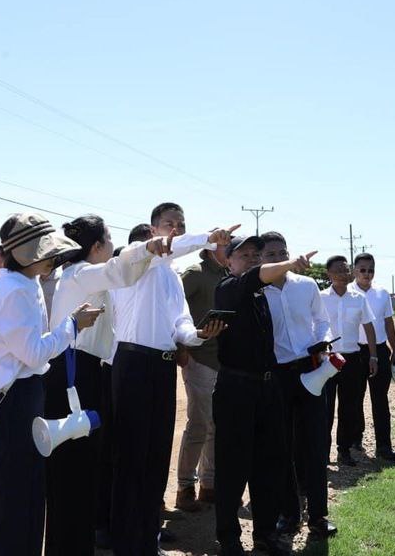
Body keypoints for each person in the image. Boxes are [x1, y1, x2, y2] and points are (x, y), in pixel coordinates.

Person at [0, 212, 102, 556]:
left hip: (14, 396)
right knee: (13, 496)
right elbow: (33, 353)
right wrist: (72, 325)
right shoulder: (17, 291)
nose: (53, 258)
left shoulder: (20, 284)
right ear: (26, 255)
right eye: (47, 252)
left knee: (20, 493)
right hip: (11, 401)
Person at [110, 203, 234, 556]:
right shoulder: (135, 259)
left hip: (162, 367)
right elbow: (166, 248)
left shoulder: (172, 277)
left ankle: (147, 538)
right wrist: (207, 238)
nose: (176, 229)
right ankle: (126, 543)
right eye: (169, 224)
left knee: (155, 456)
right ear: (153, 230)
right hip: (132, 363)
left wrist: (199, 334)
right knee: (131, 457)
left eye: (181, 224)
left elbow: (180, 323)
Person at [45, 215, 171, 555]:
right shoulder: (82, 273)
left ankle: (76, 544)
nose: (114, 245)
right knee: (72, 471)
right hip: (74, 375)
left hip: (84, 372)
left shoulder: (80, 275)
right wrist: (150, 246)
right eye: (110, 238)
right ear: (97, 246)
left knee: (84, 469)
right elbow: (121, 269)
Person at [212, 235, 317, 556]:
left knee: (269, 464)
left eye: (256, 255)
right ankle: (229, 538)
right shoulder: (228, 288)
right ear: (228, 262)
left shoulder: (262, 294)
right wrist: (291, 263)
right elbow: (254, 278)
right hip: (236, 389)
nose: (252, 259)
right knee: (233, 466)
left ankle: (265, 533)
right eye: (243, 255)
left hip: (268, 388)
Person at [260, 232, 337, 539]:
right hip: (277, 375)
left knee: (315, 443)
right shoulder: (257, 292)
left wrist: (323, 341)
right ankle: (289, 514)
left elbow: (322, 320)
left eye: (283, 252)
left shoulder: (306, 285)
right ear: (261, 259)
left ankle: (318, 515)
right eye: (271, 254)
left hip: (311, 369)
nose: (279, 258)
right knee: (282, 447)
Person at [96, 223, 155, 550]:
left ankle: (140, 524)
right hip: (110, 367)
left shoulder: (157, 279)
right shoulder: (117, 277)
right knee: (111, 450)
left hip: (127, 368)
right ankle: (105, 524)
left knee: (136, 451)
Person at [174, 243, 228, 512]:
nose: (230, 249)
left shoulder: (228, 276)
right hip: (199, 357)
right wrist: (181, 348)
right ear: (209, 249)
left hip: (221, 360)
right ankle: (185, 488)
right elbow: (174, 309)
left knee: (215, 425)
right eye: (225, 245)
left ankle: (209, 486)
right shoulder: (195, 273)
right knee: (198, 424)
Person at [319, 256, 376, 467]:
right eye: (338, 271)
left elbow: (369, 327)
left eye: (346, 270)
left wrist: (373, 356)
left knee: (348, 407)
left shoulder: (359, 298)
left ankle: (344, 451)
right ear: (329, 274)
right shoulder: (320, 298)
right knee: (324, 408)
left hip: (351, 360)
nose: (343, 274)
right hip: (327, 359)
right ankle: (322, 453)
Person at [350, 253, 395, 462]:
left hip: (380, 351)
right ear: (354, 270)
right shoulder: (347, 293)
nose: (367, 274)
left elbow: (389, 324)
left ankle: (384, 447)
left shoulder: (382, 294)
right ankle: (355, 439)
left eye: (370, 270)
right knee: (355, 397)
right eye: (362, 269)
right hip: (355, 352)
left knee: (380, 399)